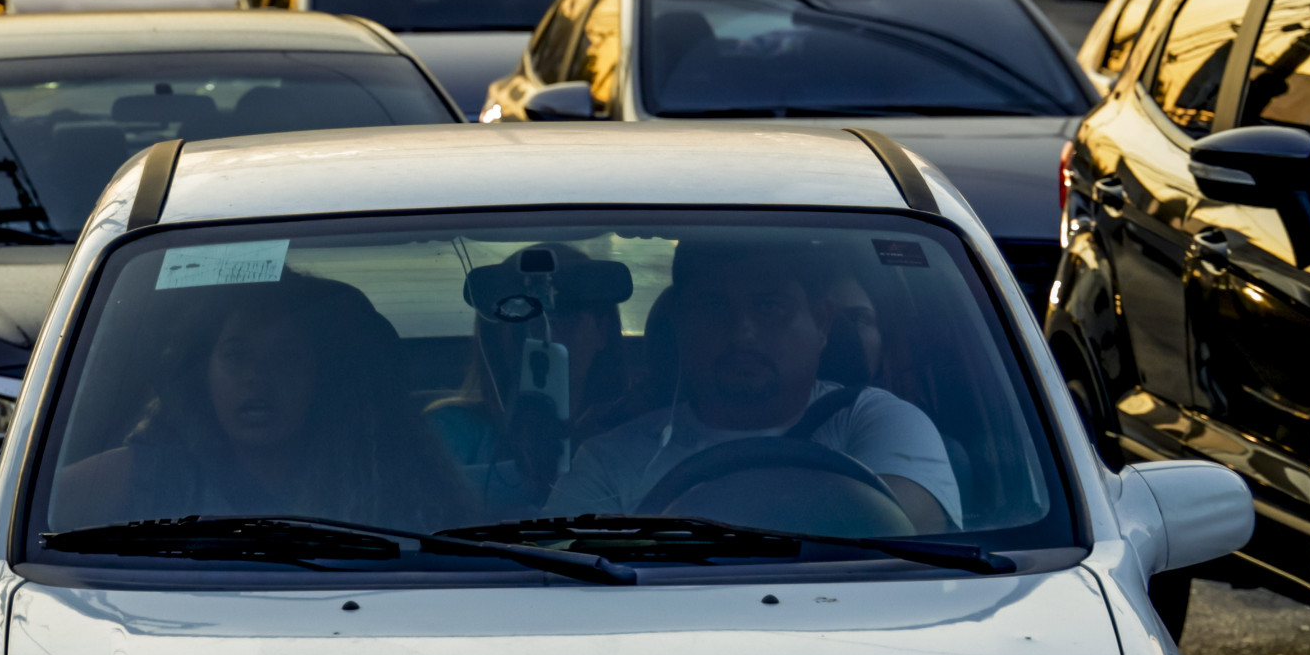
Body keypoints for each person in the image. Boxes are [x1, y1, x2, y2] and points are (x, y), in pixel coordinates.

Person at [544, 239, 960, 531]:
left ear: (821, 323)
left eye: (769, 307)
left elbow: (900, 539)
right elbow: (561, 576)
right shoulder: (609, 459)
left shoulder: (877, 422)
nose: (742, 333)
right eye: (714, 307)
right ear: (681, 327)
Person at [52, 273, 473, 531]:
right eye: (238, 355)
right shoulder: (151, 476)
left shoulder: (394, 475)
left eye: (286, 356)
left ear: (323, 376)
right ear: (204, 375)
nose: (258, 377)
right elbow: (23, 527)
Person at [427, 245, 631, 513]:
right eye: (523, 321)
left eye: (566, 318)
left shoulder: (636, 437)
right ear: (496, 337)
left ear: (602, 330)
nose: (546, 336)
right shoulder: (451, 431)